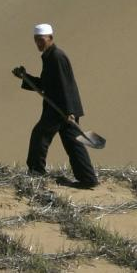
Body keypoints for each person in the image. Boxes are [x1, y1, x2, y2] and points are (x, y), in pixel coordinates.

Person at [12, 23, 98, 188]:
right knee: (73, 143)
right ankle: (88, 179)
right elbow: (45, 84)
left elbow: (66, 84)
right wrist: (25, 77)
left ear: (50, 38)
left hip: (61, 109)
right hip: (61, 107)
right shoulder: (49, 56)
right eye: (36, 40)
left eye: (41, 40)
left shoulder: (56, 56)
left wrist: (70, 111)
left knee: (40, 135)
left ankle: (36, 173)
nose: (38, 43)